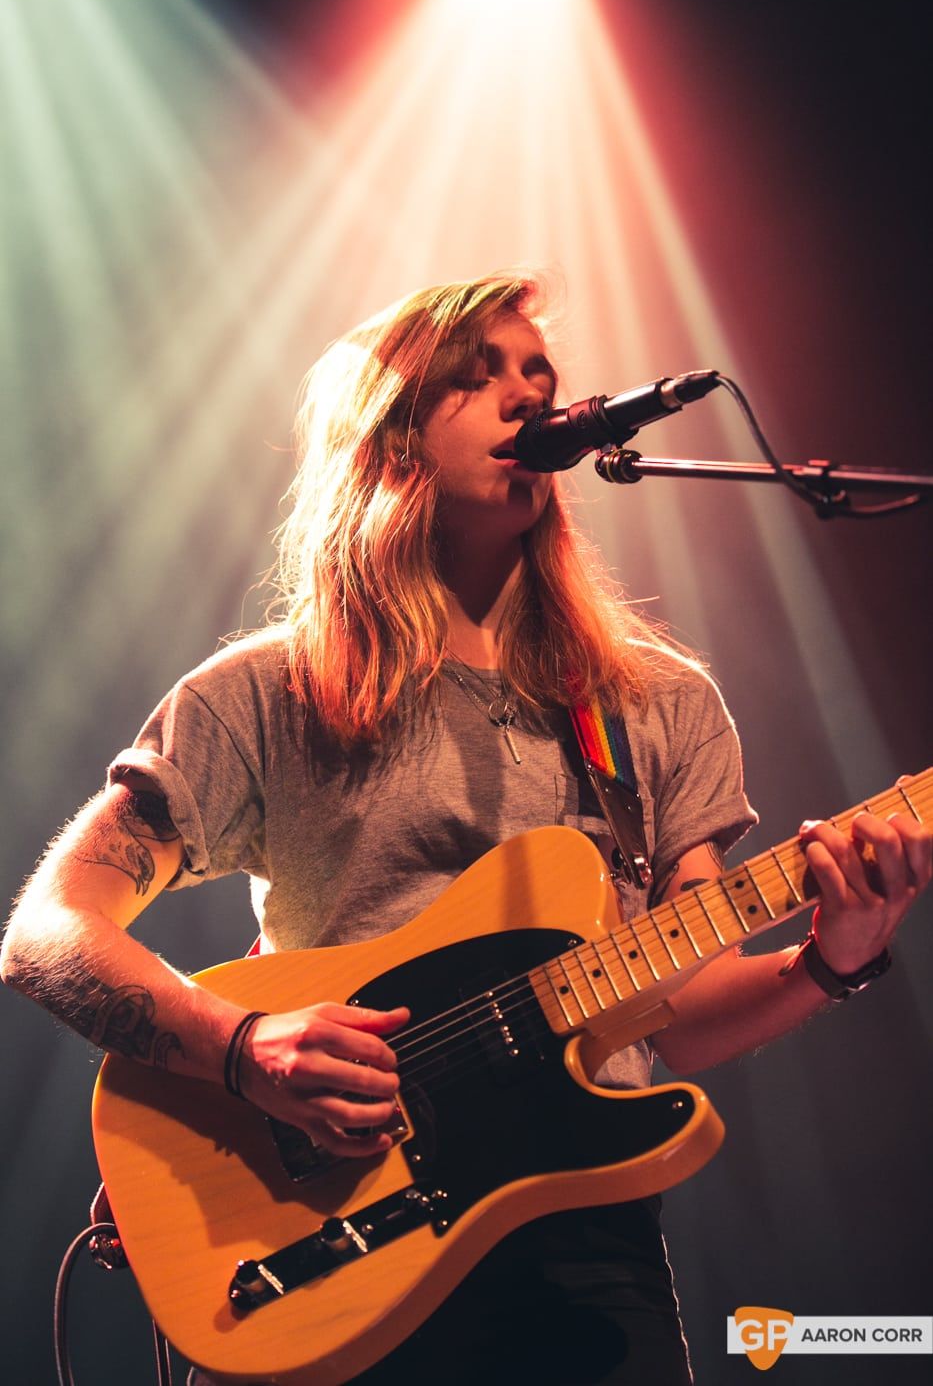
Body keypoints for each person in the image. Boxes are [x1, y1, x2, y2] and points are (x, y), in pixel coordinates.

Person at [2, 272, 929, 1386]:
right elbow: (50, 928)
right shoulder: (267, 691)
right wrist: (243, 1050)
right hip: (321, 1231)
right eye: (478, 373)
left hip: (584, 1257)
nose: (530, 390)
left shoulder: (656, 704)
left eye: (539, 371)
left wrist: (836, 958)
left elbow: (670, 1012)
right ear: (390, 439)